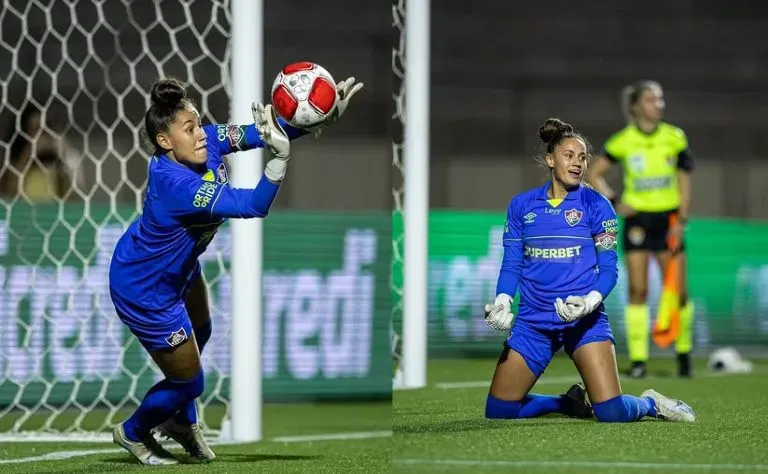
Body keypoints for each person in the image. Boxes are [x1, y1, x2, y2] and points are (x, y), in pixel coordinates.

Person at [109, 76, 362, 465]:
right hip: (144, 287)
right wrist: (279, 162)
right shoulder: (174, 184)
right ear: (165, 141)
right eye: (188, 129)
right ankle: (133, 431)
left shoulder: (205, 141)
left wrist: (319, 117)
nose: (200, 134)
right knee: (190, 381)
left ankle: (179, 420)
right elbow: (252, 205)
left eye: (198, 123)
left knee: (204, 329)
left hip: (176, 270)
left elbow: (264, 132)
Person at [483, 118, 695, 424]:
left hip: (585, 320)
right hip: (534, 322)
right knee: (499, 411)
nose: (578, 163)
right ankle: (566, 403)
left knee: (611, 412)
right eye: (569, 155)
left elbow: (609, 268)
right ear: (550, 159)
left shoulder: (598, 205)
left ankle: (650, 403)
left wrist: (590, 301)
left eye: (583, 157)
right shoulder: (521, 206)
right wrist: (503, 300)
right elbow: (512, 262)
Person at [587, 80, 695, 378]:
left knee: (679, 291)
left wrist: (682, 221)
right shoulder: (623, 141)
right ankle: (638, 361)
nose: (658, 104)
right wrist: (615, 201)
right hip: (637, 222)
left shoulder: (675, 137)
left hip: (669, 220)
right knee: (638, 290)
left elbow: (685, 180)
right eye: (651, 100)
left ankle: (684, 355)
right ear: (636, 106)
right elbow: (595, 173)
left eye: (660, 99)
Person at [0, 106, 82, 201]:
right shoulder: (13, 162)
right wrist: (27, 155)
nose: (41, 135)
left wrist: (66, 157)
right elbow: (9, 193)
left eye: (45, 130)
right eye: (36, 129)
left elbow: (76, 197)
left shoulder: (64, 160)